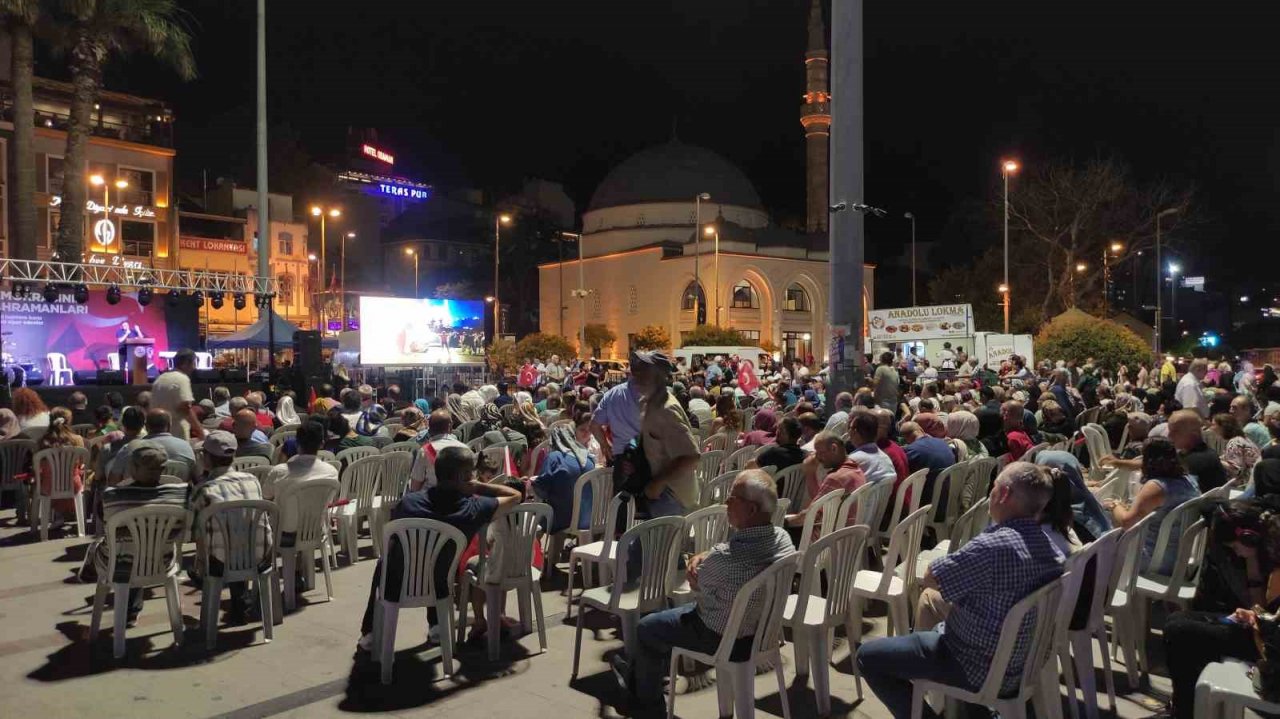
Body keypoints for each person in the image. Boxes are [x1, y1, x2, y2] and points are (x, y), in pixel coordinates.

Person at [858, 462, 1063, 719]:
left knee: (868, 657)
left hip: (974, 664)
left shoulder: (993, 545)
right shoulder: (1050, 547)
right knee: (935, 608)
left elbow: (932, 577)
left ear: (1004, 494)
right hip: (1022, 662)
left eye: (994, 486)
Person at [611, 470, 795, 705]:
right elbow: (720, 558)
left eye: (733, 498)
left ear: (751, 510)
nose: (726, 502)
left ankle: (645, 698)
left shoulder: (725, 559)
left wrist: (703, 563)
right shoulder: (782, 538)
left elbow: (697, 588)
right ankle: (643, 675)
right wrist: (706, 555)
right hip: (762, 632)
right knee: (664, 622)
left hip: (720, 637)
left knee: (648, 627)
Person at [356, 445, 522, 651]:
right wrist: (478, 486)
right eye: (470, 472)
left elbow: (393, 540)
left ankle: (371, 632)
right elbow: (515, 495)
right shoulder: (473, 509)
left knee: (387, 561)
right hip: (440, 585)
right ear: (463, 476)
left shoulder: (408, 503)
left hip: (395, 584)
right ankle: (436, 625)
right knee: (438, 561)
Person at [1161, 501, 1280, 718]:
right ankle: (1184, 706)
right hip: (1263, 635)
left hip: (1268, 651)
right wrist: (1255, 615)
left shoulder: (1274, 568)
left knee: (1179, 631)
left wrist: (1258, 617)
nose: (1237, 553)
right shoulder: (1264, 557)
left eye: (1236, 547)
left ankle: (1185, 709)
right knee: (1176, 620)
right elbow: (1262, 609)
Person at [93, 441, 189, 624]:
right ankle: (132, 609)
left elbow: (103, 519)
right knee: (139, 546)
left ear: (134, 468)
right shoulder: (181, 494)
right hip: (162, 560)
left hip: (121, 563)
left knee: (112, 547)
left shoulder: (113, 496)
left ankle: (88, 573)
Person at [189, 430, 269, 623]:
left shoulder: (204, 490)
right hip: (259, 555)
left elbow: (190, 530)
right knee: (235, 539)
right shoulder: (253, 481)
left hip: (221, 561)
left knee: (218, 543)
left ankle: (210, 586)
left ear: (206, 457)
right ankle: (241, 602)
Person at [1103, 437, 1200, 575]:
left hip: (1155, 560)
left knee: (1102, 533)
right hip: (1181, 556)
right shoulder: (1190, 481)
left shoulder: (1157, 487)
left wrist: (1114, 505)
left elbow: (1127, 522)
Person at [623, 351, 699, 518]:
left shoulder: (666, 409)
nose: (634, 373)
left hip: (671, 497)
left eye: (642, 369)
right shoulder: (647, 403)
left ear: (657, 376)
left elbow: (691, 456)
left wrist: (658, 482)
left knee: (661, 545)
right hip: (656, 492)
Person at [791, 431, 866, 534]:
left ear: (834, 448)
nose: (817, 457)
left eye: (820, 452)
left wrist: (784, 522)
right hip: (848, 536)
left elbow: (808, 516)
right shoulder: (856, 470)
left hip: (828, 540)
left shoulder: (836, 478)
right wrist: (811, 472)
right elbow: (821, 502)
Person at [530, 423, 597, 533]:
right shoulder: (589, 459)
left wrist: (532, 483)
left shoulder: (554, 457)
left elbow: (541, 490)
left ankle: (536, 550)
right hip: (589, 518)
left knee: (534, 518)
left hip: (563, 520)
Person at [590, 352, 648, 468]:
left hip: (622, 458)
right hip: (649, 458)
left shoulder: (612, 394)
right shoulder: (658, 394)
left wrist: (605, 446)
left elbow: (594, 425)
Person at [108, 409, 197, 483]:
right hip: (177, 501)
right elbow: (195, 477)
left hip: (137, 501)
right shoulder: (186, 447)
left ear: (146, 427)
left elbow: (113, 481)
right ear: (169, 426)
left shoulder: (129, 449)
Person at [263, 419, 338, 500]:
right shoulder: (332, 472)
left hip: (285, 512)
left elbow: (266, 496)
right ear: (322, 445)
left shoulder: (279, 472)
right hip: (320, 513)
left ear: (297, 443)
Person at [409, 410, 468, 490]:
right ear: (449, 427)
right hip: (458, 496)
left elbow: (415, 486)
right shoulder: (464, 449)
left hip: (431, 498)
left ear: (429, 429)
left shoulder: (425, 450)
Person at [152, 348, 202, 441]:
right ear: (186, 363)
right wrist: (201, 432)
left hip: (158, 434)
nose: (194, 367)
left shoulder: (159, 379)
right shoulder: (182, 379)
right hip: (177, 434)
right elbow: (185, 408)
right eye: (194, 363)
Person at [848, 410, 897, 485]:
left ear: (855, 432)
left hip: (864, 497)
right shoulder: (886, 458)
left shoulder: (853, 461)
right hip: (884, 496)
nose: (848, 431)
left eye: (850, 427)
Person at [1214, 412, 1262, 483]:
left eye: (1213, 425)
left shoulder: (1234, 442)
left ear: (1222, 427)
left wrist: (1216, 460)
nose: (1211, 428)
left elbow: (1236, 470)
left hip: (1246, 484)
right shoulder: (1243, 439)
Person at [872, 407, 910, 483]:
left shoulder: (881, 452)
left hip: (892, 493)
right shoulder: (895, 447)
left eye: (869, 424)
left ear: (881, 428)